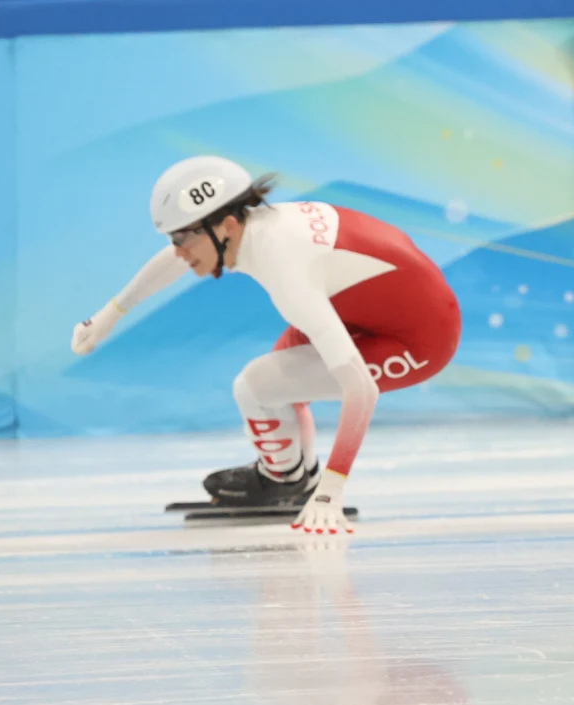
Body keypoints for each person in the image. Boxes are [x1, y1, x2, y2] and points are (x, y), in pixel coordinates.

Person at [72, 156, 462, 534]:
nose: (178, 251)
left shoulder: (287, 268)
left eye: (180, 238)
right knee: (274, 391)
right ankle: (291, 476)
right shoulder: (251, 228)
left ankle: (290, 481)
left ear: (225, 225)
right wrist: (110, 315)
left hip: (419, 338)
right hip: (368, 309)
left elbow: (361, 388)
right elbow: (180, 256)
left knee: (257, 386)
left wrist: (332, 491)